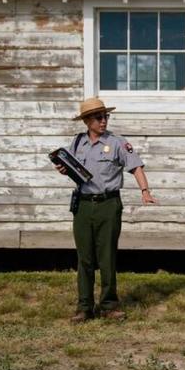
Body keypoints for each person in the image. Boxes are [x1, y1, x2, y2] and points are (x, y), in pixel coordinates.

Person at [55, 97, 158, 323]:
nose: (103, 121)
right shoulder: (78, 143)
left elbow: (136, 167)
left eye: (105, 116)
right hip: (82, 205)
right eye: (98, 117)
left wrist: (145, 190)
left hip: (108, 205)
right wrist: (63, 170)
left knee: (107, 256)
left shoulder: (117, 142)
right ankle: (84, 307)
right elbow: (72, 168)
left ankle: (109, 305)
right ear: (86, 121)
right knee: (85, 258)